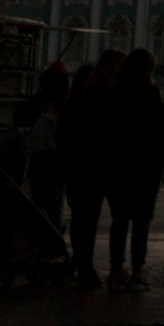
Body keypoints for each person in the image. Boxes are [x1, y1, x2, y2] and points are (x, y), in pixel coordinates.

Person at [102, 49, 164, 290]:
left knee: (120, 221)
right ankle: (136, 272)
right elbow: (161, 130)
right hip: (146, 167)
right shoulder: (151, 93)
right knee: (141, 222)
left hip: (118, 166)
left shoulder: (113, 93)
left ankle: (115, 271)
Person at [60, 50, 122, 289]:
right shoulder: (105, 99)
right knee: (91, 218)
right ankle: (90, 267)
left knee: (83, 219)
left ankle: (84, 265)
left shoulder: (79, 101)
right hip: (97, 167)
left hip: (83, 167)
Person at [17, 63, 70, 238]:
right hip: (57, 160)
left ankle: (42, 238)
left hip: (39, 160)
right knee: (55, 203)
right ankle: (54, 238)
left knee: (40, 202)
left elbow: (19, 117)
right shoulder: (67, 105)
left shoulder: (37, 101)